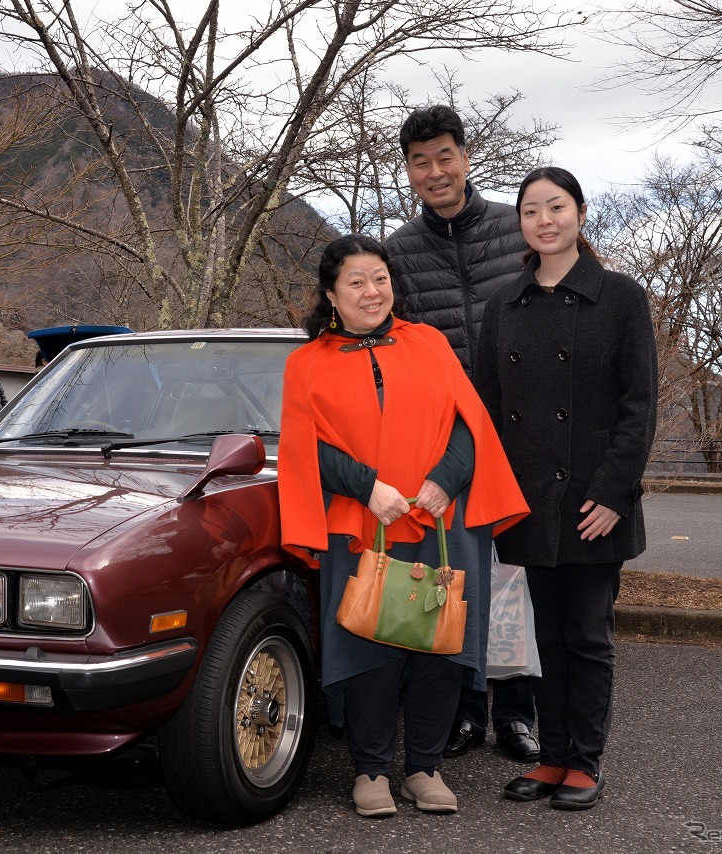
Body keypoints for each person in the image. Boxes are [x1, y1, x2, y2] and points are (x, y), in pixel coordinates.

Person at [279, 234, 528, 818]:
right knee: (372, 642)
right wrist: (369, 489)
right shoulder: (305, 364)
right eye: (357, 282)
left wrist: (445, 480)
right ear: (331, 295)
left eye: (380, 278)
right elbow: (303, 446)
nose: (372, 291)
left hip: (442, 519)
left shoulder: (430, 343)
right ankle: (370, 770)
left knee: (438, 643)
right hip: (363, 521)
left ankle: (424, 767)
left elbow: (470, 422)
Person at [474, 167, 657, 810]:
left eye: (556, 207)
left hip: (592, 502)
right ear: (519, 223)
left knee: (587, 635)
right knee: (542, 639)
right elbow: (487, 412)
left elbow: (639, 407)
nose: (544, 220)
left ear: (581, 213)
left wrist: (613, 494)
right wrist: (497, 498)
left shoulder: (620, 297)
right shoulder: (503, 306)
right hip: (530, 502)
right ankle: (550, 757)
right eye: (530, 210)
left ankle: (584, 762)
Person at [383, 104, 540, 764]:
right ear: (410, 171)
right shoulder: (397, 253)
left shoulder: (518, 229)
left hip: (524, 432)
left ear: (466, 157)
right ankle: (463, 709)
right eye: (421, 161)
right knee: (455, 575)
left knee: (517, 577)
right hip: (445, 439)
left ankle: (519, 712)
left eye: (445, 156)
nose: (435, 171)